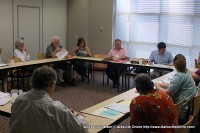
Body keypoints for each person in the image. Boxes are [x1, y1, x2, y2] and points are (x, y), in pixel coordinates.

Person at [9, 65, 88, 133]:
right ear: (51, 85)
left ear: (32, 82)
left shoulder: (19, 99)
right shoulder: (57, 108)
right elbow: (82, 130)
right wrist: (80, 117)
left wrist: (65, 114)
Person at [155, 54, 198, 124]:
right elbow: (174, 85)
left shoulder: (179, 76)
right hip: (190, 106)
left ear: (174, 64)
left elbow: (168, 93)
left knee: (157, 105)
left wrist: (158, 87)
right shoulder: (187, 72)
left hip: (183, 111)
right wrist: (159, 84)